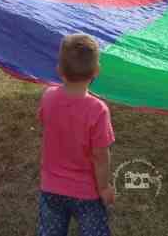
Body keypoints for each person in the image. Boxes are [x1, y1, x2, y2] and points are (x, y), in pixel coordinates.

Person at [36, 33, 115, 236]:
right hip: (87, 193)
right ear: (96, 71)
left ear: (59, 70)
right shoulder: (98, 110)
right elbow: (100, 156)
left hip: (51, 188)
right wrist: (104, 188)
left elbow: (45, 122)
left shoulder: (48, 97)